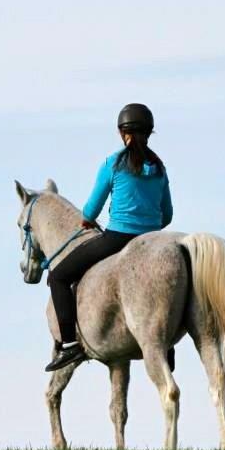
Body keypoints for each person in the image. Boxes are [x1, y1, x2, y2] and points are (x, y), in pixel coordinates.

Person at [45, 103, 173, 372]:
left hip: (117, 238)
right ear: (149, 133)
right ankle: (167, 345)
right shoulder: (160, 168)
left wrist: (88, 219)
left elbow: (92, 209)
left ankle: (69, 345)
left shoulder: (113, 164)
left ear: (121, 132)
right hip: (151, 239)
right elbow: (167, 215)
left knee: (58, 275)